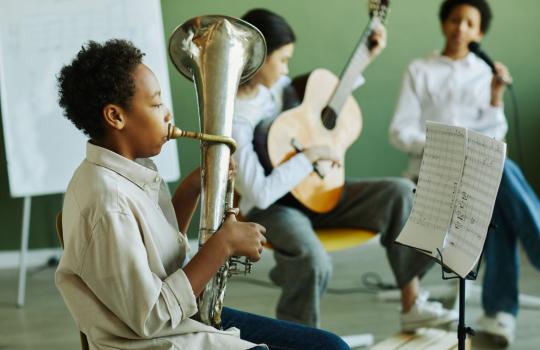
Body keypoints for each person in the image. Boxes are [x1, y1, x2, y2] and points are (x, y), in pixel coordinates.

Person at [54, 38, 352, 350]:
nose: (167, 114)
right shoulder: (108, 203)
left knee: (330, 345)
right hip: (165, 340)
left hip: (184, 321)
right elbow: (151, 318)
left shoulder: (127, 171)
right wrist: (223, 245)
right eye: (156, 104)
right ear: (115, 117)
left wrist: (191, 188)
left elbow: (160, 257)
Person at [232, 8, 457, 332]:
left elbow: (318, 109)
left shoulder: (278, 87)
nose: (287, 68)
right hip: (275, 209)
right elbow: (261, 193)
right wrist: (308, 157)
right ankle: (299, 338)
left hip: (315, 191)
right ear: (259, 56)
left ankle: (412, 304)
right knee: (314, 261)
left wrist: (366, 57)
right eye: (282, 59)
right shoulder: (236, 117)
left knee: (400, 192)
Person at [389, 0, 540, 346]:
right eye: (454, 20)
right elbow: (399, 132)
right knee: (500, 177)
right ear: (444, 23)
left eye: (469, 23)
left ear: (480, 33)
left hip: (479, 173)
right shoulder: (420, 70)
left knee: (498, 181)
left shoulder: (484, 74)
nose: (460, 28)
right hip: (431, 173)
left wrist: (496, 96)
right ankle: (508, 302)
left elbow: (495, 136)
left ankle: (500, 313)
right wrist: (451, 146)